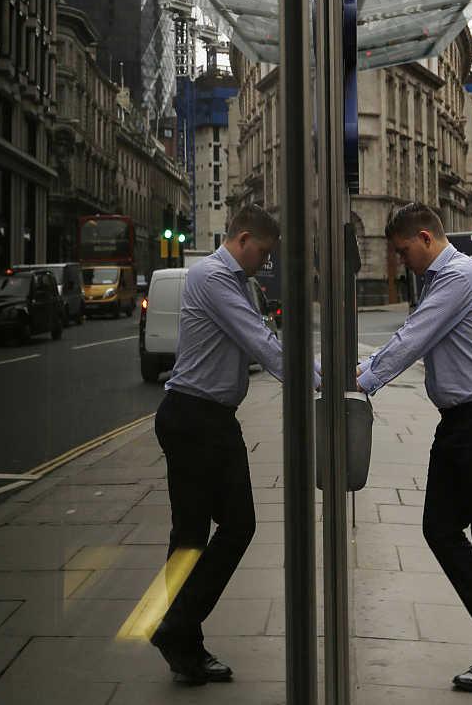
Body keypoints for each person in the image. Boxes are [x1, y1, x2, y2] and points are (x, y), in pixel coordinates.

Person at [356, 202, 472, 695]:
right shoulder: (438, 282)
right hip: (462, 423)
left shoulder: (461, 276)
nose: (401, 262)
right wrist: (360, 371)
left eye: (402, 252)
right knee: (440, 528)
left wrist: (366, 382)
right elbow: (407, 336)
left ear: (424, 237)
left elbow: (414, 339)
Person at [150, 204, 319, 684]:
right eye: (262, 253)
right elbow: (261, 343)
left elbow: (265, 338)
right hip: (193, 417)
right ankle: (181, 633)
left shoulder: (239, 282)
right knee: (214, 530)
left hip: (209, 418)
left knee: (205, 532)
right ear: (243, 239)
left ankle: (182, 638)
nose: (263, 262)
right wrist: (316, 382)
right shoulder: (213, 278)